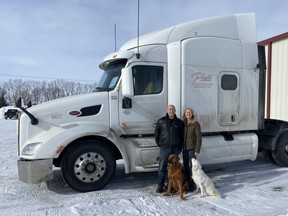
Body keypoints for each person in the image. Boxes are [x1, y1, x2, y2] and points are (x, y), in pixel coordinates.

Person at [154, 104, 184, 193]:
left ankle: (170, 186)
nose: (171, 111)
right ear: (167, 110)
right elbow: (156, 135)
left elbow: (182, 136)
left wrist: (179, 147)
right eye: (169, 109)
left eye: (173, 109)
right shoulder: (161, 121)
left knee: (174, 167)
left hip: (175, 148)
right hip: (165, 148)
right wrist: (161, 145)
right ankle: (160, 185)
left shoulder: (179, 123)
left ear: (175, 111)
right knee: (162, 167)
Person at [182, 107, 202, 191]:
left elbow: (198, 138)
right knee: (186, 166)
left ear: (192, 114)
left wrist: (197, 150)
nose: (188, 114)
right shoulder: (183, 124)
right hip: (185, 149)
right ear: (185, 114)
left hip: (192, 149)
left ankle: (193, 184)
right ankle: (187, 182)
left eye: (190, 113)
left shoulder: (195, 124)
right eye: (187, 113)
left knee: (192, 167)